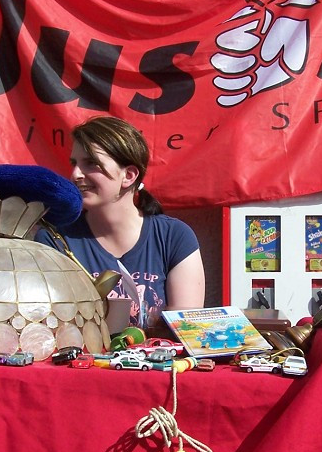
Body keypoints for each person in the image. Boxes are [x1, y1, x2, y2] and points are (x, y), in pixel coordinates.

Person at [36, 116, 205, 325]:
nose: (76, 174)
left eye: (91, 164)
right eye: (74, 163)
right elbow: (48, 325)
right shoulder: (54, 240)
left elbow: (187, 328)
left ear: (129, 175)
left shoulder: (175, 237)